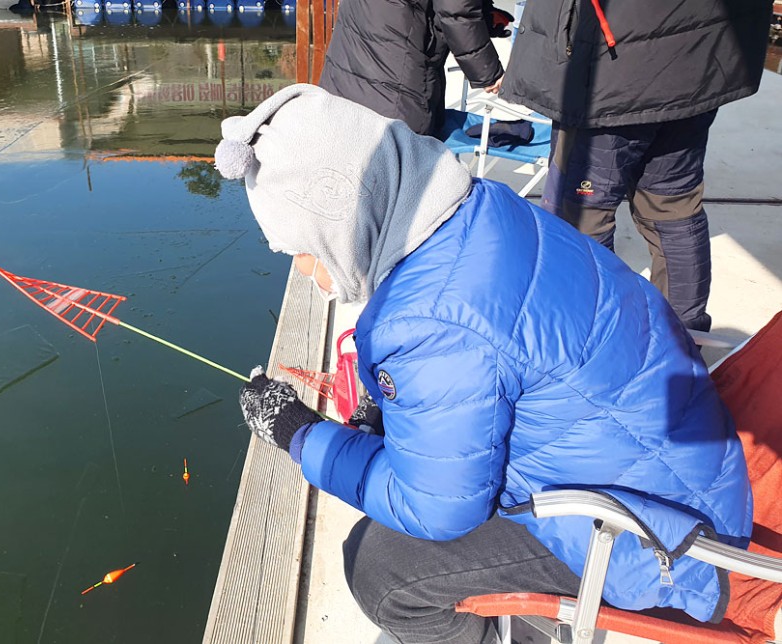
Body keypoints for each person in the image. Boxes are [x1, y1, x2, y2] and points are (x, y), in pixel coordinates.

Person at [214, 84, 753, 644]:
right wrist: (387, 412)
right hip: (678, 475)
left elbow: (436, 510)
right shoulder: (480, 208)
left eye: (298, 247)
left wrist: (301, 435)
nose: (302, 268)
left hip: (662, 541)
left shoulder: (426, 321)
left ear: (339, 214)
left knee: (378, 568)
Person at [499, 0, 773, 332]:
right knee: (673, 208)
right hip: (699, 58)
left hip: (612, 72)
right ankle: (684, 341)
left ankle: (602, 340)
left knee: (581, 220)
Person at [318, 0, 512, 137]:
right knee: (399, 173)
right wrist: (489, 73)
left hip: (347, 62)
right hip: (396, 80)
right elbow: (457, 11)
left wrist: (483, 15)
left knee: (345, 161)